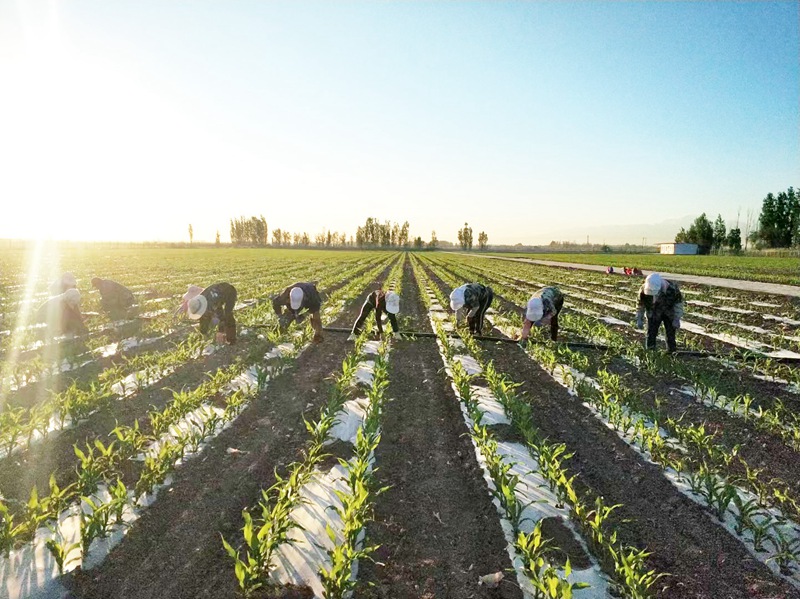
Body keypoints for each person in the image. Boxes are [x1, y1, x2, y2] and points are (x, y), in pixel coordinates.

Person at [635, 273, 684, 353]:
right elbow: (640, 304)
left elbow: (678, 304)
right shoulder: (644, 290)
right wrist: (639, 317)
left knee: (670, 334)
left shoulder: (672, 289)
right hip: (653, 312)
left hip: (669, 312)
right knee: (651, 333)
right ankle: (650, 352)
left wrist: (677, 318)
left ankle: (671, 352)